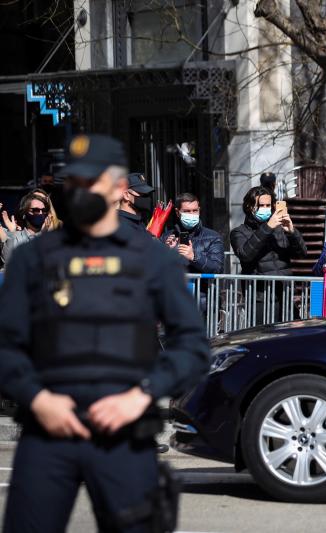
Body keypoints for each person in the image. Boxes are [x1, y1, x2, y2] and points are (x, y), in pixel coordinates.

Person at [0, 134, 208, 532]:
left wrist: (142, 395)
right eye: (73, 182)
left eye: (91, 181)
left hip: (123, 433)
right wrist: (37, 398)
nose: (81, 191)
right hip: (49, 430)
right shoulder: (34, 258)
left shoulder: (151, 259)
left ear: (117, 188)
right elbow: (6, 344)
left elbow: (192, 346)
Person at [230, 186, 307, 276]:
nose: (265, 208)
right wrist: (267, 227)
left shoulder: (280, 229)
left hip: (284, 287)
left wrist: (292, 232)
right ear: (249, 206)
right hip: (258, 288)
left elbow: (302, 254)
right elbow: (245, 255)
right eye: (261, 205)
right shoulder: (239, 232)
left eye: (268, 205)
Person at [162, 192, 224, 274]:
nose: (192, 214)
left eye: (195, 210)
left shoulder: (213, 237)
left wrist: (194, 256)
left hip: (201, 286)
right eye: (187, 211)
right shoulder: (166, 237)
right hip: (174, 286)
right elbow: (153, 267)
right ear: (177, 212)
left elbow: (217, 268)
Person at [1, 191, 53, 266]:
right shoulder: (15, 238)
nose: (41, 213)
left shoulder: (52, 237)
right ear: (24, 213)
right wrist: (11, 233)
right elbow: (7, 260)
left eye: (44, 210)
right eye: (36, 210)